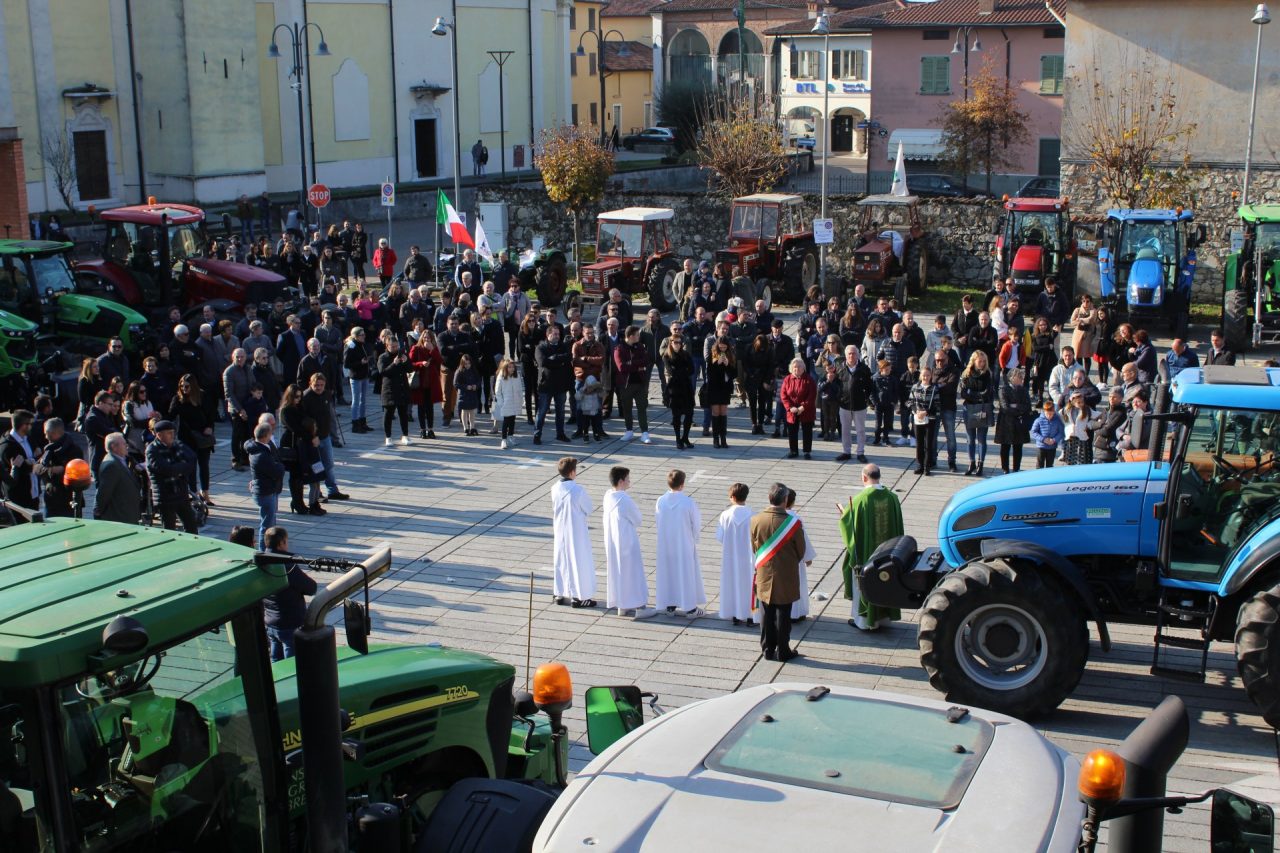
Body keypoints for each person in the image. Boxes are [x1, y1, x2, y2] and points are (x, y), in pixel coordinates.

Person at [838, 464, 903, 632]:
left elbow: (850, 527)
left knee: (865, 581)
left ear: (864, 477)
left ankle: (864, 622)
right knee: (885, 579)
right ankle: (884, 618)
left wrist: (844, 516)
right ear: (879, 476)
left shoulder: (860, 500)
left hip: (866, 554)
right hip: (887, 554)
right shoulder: (892, 498)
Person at [750, 482, 807, 659]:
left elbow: (754, 547)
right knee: (783, 612)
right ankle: (783, 650)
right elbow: (801, 551)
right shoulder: (793, 523)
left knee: (766, 612)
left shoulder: (756, 520)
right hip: (786, 573)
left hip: (764, 571)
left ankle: (767, 649)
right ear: (785, 500)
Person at [603, 466, 656, 619]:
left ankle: (622, 605)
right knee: (634, 574)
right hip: (627, 541)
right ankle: (640, 607)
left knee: (619, 573)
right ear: (621, 481)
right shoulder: (624, 499)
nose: (629, 481)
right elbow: (638, 519)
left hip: (613, 542)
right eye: (627, 479)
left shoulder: (608, 496)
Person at [654, 469, 706, 617]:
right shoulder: (688, 502)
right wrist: (694, 538)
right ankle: (690, 608)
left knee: (669, 573)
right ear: (682, 484)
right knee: (686, 573)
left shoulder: (661, 501)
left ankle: (670, 605)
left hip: (666, 543)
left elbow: (658, 521)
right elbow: (696, 523)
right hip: (684, 543)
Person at [262, 527, 317, 661]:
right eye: (286, 541)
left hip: (270, 621)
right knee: (292, 663)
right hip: (289, 622)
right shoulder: (286, 565)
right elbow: (311, 588)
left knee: (276, 660)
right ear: (281, 543)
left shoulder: (261, 562)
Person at [551, 457, 596, 607]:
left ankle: (559, 592)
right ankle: (578, 596)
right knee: (579, 561)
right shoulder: (578, 490)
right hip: (576, 530)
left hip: (560, 529)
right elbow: (589, 508)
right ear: (572, 472)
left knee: (560, 560)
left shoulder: (554, 488)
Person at [712, 482, 757, 626]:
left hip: (730, 556)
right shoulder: (753, 515)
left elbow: (720, 537)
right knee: (750, 585)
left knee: (732, 584)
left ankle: (735, 614)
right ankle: (751, 616)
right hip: (749, 557)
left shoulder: (725, 515)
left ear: (731, 497)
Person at [169, 375, 215, 505]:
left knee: (204, 465)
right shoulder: (178, 399)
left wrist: (209, 427)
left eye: (187, 386)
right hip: (187, 436)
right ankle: (193, 493)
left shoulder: (203, 396)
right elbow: (171, 415)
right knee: (191, 466)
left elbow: (211, 414)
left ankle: (205, 493)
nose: (184, 389)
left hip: (202, 436)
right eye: (181, 386)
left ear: (193, 386)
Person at [146, 420, 198, 533]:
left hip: (181, 492)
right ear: (159, 435)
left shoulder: (177, 444)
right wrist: (182, 468)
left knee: (191, 525)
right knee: (169, 529)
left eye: (173, 432)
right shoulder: (152, 450)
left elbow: (192, 458)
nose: (172, 435)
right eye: (169, 433)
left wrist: (178, 470)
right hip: (165, 496)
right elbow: (167, 469)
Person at [246, 421, 285, 549]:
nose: (271, 436)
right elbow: (276, 471)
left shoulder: (256, 448)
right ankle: (263, 551)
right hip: (265, 492)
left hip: (265, 489)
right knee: (267, 526)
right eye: (270, 434)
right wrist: (280, 466)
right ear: (265, 436)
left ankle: (270, 548)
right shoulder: (261, 455)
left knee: (269, 522)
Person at [534, 324, 574, 445]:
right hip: (546, 385)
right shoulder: (541, 347)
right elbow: (542, 362)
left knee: (560, 412)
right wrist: (559, 362)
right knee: (542, 412)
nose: (557, 336)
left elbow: (568, 357)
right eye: (554, 334)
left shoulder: (563, 346)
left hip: (561, 385)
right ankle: (537, 435)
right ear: (548, 335)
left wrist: (554, 358)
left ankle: (560, 434)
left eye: (558, 334)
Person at [614, 325, 652, 443]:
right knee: (627, 409)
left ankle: (645, 433)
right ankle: (629, 431)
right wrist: (637, 366)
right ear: (630, 336)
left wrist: (631, 363)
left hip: (640, 383)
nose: (639, 337)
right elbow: (621, 367)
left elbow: (646, 360)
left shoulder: (640, 346)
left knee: (642, 408)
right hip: (626, 384)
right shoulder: (619, 349)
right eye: (637, 335)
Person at [38, 418, 81, 518]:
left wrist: (62, 469)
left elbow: (78, 473)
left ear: (54, 433)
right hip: (51, 499)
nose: (45, 437)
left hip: (68, 500)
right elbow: (40, 468)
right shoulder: (49, 449)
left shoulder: (73, 450)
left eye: (46, 434)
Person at [960, 350, 993, 476]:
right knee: (970, 439)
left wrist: (973, 394)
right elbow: (963, 393)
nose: (982, 364)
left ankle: (981, 463)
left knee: (982, 439)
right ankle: (972, 462)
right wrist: (977, 396)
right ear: (974, 361)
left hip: (983, 408)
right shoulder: (966, 374)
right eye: (980, 361)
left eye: (984, 361)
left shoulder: (987, 374)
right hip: (969, 408)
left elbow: (988, 392)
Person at [95, 432, 140, 524]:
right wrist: (98, 512)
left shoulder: (120, 460)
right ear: (114, 447)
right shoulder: (111, 465)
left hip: (126, 514)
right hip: (119, 516)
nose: (127, 446)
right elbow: (104, 493)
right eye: (124, 444)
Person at [0, 410, 39, 513]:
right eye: (31, 424)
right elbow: (22, 469)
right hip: (18, 498)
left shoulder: (28, 438)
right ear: (23, 426)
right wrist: (32, 464)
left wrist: (30, 461)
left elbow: (38, 453)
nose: (32, 427)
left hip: (33, 494)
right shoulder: (7, 446)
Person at [378, 335, 414, 445]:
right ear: (387, 346)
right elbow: (383, 372)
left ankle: (405, 435)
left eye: (396, 346)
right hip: (389, 389)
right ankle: (388, 437)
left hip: (402, 388)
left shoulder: (402, 354)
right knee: (388, 414)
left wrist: (406, 361)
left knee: (403, 413)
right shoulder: (383, 357)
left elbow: (410, 369)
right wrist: (394, 364)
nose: (395, 348)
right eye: (392, 347)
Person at [996, 368, 1033, 473]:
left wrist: (1016, 406)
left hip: (1019, 423)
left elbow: (1027, 406)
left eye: (1022, 376)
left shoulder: (1023, 390)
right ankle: (1005, 469)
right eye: (1019, 376)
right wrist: (1019, 409)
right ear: (1012, 378)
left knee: (1018, 447)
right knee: (1005, 446)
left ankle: (1016, 469)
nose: (1022, 379)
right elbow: (1005, 407)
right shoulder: (1003, 390)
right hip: (1006, 423)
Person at [780, 357, 817, 460]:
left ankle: (807, 451)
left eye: (799, 367)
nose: (797, 369)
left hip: (806, 409)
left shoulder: (809, 380)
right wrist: (790, 407)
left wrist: (803, 407)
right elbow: (783, 395)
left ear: (803, 368)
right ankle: (793, 450)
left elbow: (812, 395)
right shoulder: (787, 379)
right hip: (792, 409)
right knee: (792, 431)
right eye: (795, 367)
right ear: (791, 368)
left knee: (807, 431)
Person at [664, 335, 696, 449]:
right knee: (676, 416)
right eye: (675, 342)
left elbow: (692, 370)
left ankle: (685, 437)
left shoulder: (686, 354)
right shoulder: (667, 356)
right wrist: (683, 371)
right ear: (671, 343)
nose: (678, 344)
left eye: (679, 342)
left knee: (689, 414)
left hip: (686, 387)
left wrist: (679, 371)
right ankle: (678, 439)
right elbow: (671, 371)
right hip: (675, 389)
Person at [907, 365, 940, 476]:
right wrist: (916, 411)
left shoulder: (934, 388)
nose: (926, 377)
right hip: (918, 418)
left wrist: (926, 412)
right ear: (920, 376)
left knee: (928, 444)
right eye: (924, 375)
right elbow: (910, 402)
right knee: (919, 443)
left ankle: (927, 466)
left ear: (931, 376)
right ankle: (919, 465)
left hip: (930, 419)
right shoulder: (915, 387)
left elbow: (937, 405)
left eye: (928, 375)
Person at [705, 335, 736, 448]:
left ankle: (723, 438)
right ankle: (715, 438)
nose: (723, 349)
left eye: (724, 347)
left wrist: (728, 365)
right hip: (714, 387)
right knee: (716, 412)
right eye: (721, 347)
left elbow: (734, 374)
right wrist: (717, 363)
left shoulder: (731, 355)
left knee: (723, 412)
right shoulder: (712, 355)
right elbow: (709, 373)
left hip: (725, 388)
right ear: (717, 346)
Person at [493, 358, 524, 449]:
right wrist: (501, 403)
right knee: (506, 421)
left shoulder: (517, 375)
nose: (512, 369)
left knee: (512, 420)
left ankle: (511, 436)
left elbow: (520, 388)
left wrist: (521, 399)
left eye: (513, 367)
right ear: (505, 368)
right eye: (509, 367)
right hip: (506, 402)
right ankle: (503, 439)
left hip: (515, 402)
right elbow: (497, 391)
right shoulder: (501, 376)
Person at [1070, 294, 1099, 379]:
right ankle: (1080, 374)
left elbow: (1091, 319)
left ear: (1090, 302)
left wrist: (1080, 320)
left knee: (1086, 356)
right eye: (1084, 301)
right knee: (1078, 355)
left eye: (1087, 301)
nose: (1086, 303)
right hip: (1078, 335)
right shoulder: (1077, 310)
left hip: (1088, 335)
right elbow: (1072, 322)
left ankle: (1086, 375)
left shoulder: (1093, 310)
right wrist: (1080, 321)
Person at [1061, 392, 1094, 465]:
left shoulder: (1087, 409)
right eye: (1078, 402)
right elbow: (1058, 416)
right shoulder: (1066, 410)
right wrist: (1067, 427)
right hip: (1070, 438)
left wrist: (1089, 425)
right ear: (1072, 402)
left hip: (1081, 438)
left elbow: (1098, 416)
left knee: (1082, 459)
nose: (1081, 404)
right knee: (1070, 460)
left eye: (1082, 402)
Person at [453, 353, 481, 437]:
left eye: (469, 363)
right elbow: (455, 384)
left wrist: (476, 386)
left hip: (472, 394)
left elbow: (479, 381)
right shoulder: (459, 371)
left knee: (472, 411)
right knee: (464, 411)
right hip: (463, 394)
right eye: (465, 364)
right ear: (462, 363)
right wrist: (465, 387)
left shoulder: (474, 370)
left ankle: (472, 427)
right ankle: (465, 427)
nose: (467, 365)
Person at [1031, 400, 1064, 468]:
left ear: (1054, 412)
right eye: (1047, 414)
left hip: (1052, 447)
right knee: (1040, 464)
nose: (1049, 416)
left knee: (1050, 464)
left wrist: (1054, 440)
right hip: (1041, 446)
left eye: (1051, 414)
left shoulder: (1057, 420)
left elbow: (1061, 432)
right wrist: (1043, 439)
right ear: (1044, 412)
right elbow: (1034, 432)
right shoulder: (1039, 420)